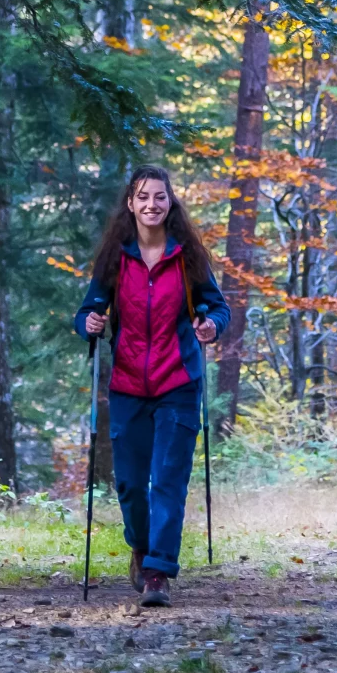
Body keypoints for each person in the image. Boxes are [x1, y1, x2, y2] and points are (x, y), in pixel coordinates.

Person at [73, 166, 230, 608]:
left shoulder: (187, 258)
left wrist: (209, 326)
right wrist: (89, 323)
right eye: (143, 197)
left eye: (159, 197)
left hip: (177, 383)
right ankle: (140, 550)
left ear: (170, 202)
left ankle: (159, 571)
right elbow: (87, 311)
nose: (151, 205)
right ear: (130, 203)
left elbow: (217, 308)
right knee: (129, 484)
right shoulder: (114, 259)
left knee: (168, 480)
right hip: (126, 386)